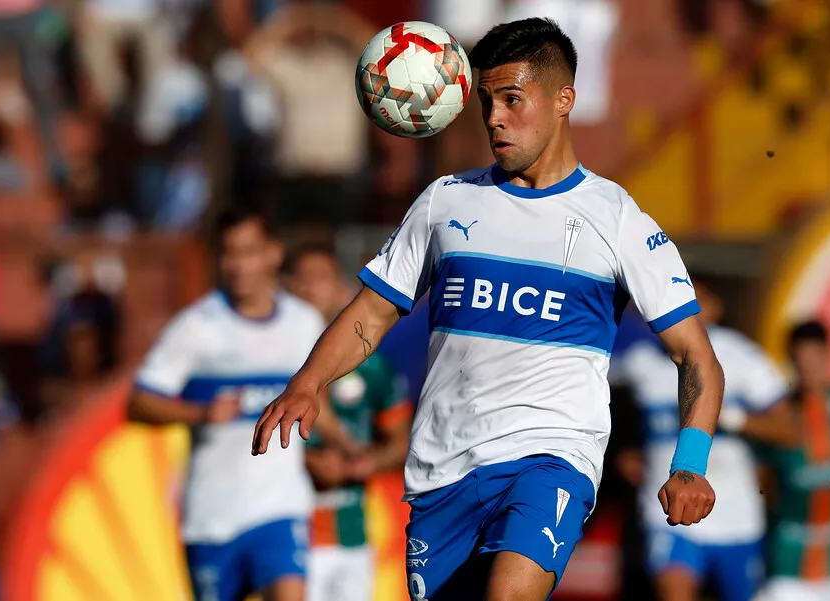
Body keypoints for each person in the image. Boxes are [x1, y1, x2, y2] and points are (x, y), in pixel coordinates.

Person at [252, 18, 724, 601]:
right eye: (486, 101)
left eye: (512, 99)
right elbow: (371, 314)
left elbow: (697, 357)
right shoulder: (445, 202)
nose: (494, 117)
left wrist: (690, 462)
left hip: (550, 462)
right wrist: (307, 383)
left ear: (564, 100)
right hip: (442, 473)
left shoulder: (617, 218)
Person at [127, 204, 357, 601]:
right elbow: (138, 403)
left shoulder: (303, 323)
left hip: (280, 509)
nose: (237, 265)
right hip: (212, 518)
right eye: (228, 253)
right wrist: (200, 413)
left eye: (248, 252)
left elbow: (314, 405)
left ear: (273, 253)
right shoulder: (196, 326)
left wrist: (349, 450)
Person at [618, 281, 799, 601]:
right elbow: (604, 403)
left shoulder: (741, 356)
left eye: (695, 299)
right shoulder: (640, 360)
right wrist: (622, 452)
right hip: (667, 514)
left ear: (716, 308)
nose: (684, 307)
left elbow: (790, 430)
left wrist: (731, 418)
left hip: (736, 517)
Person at [284, 244, 412, 601]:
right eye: (301, 279)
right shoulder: (274, 358)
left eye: (320, 278)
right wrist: (305, 461)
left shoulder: (373, 367)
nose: (310, 288)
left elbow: (401, 443)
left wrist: (362, 463)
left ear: (341, 288)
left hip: (352, 539)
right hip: (288, 536)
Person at [759, 320, 830, 601]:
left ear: (828, 355)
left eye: (815, 359)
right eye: (801, 361)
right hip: (791, 563)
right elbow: (761, 483)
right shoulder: (777, 416)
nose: (808, 369)